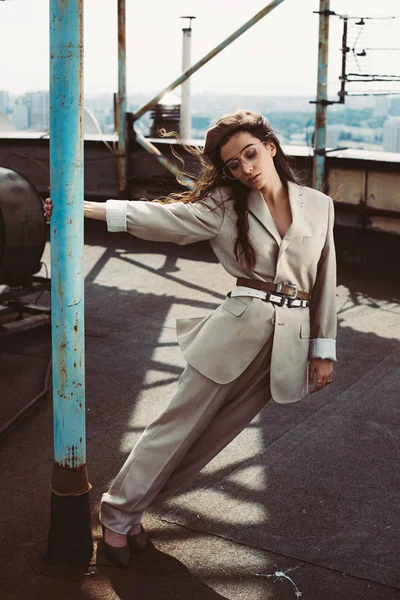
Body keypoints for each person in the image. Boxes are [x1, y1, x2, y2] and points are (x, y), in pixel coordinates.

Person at [44, 109, 336, 568]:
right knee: (174, 428)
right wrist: (85, 210)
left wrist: (323, 349)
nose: (245, 168)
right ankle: (117, 515)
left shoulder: (319, 205)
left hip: (289, 343)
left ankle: (131, 509)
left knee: (211, 440)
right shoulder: (225, 204)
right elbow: (165, 220)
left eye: (250, 154)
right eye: (234, 164)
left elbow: (323, 279)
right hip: (235, 331)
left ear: (271, 147)